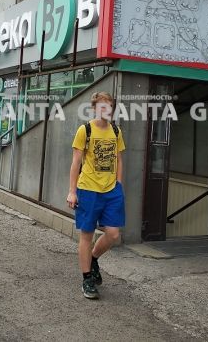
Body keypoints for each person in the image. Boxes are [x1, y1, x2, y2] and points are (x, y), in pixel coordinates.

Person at [67, 91, 125, 300]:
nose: (106, 110)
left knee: (113, 234)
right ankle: (87, 279)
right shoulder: (85, 130)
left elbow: (118, 159)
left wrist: (119, 185)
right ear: (94, 108)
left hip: (111, 191)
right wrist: (72, 191)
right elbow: (76, 162)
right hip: (88, 189)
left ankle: (93, 259)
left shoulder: (116, 131)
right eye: (102, 106)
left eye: (109, 106)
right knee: (87, 235)